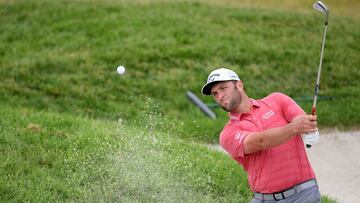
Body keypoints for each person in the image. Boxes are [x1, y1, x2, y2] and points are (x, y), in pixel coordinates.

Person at [201, 68, 321, 203]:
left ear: (239, 85)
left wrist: (309, 129)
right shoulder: (228, 134)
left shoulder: (277, 100)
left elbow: (302, 121)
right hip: (265, 199)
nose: (220, 96)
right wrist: (294, 128)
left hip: (303, 195)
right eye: (215, 94)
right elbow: (260, 142)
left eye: (223, 88)